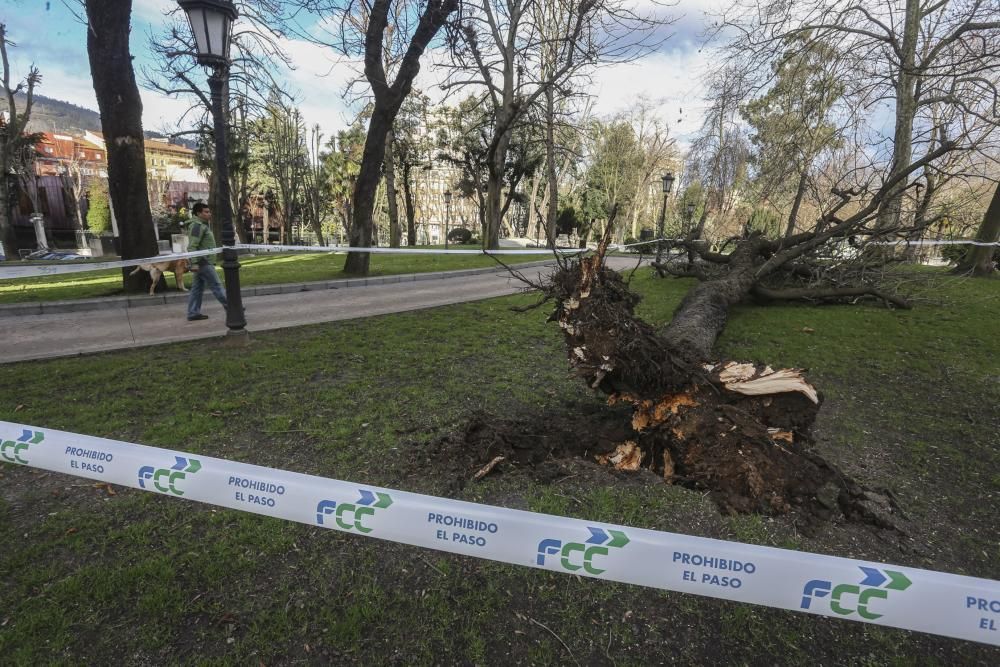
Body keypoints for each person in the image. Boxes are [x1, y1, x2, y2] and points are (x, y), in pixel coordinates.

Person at [186, 202, 227, 321]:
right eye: (206, 212)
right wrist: (194, 263)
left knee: (197, 288)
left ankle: (193, 313)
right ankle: (233, 307)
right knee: (217, 286)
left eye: (209, 211)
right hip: (203, 262)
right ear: (198, 213)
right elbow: (192, 246)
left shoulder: (202, 225)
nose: (209, 214)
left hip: (202, 261)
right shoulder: (197, 226)